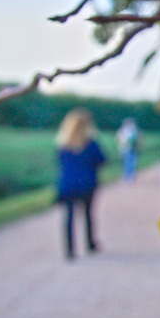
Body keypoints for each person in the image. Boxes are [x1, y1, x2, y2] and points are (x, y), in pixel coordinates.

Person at [55, 108, 106, 260]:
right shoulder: (90, 144)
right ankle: (90, 243)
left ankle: (70, 250)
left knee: (69, 217)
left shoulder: (62, 145)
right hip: (87, 183)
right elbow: (102, 160)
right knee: (88, 214)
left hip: (68, 184)